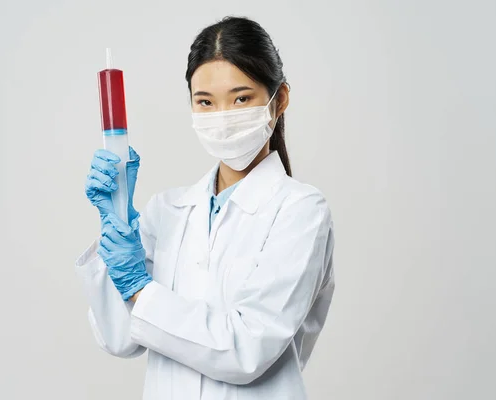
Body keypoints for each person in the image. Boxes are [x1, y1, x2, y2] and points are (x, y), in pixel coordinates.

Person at [76, 16, 335, 400]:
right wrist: (114, 225)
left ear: (278, 100)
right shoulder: (167, 210)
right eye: (206, 102)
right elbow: (119, 338)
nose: (224, 116)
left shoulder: (301, 212)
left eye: (242, 98)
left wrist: (139, 289)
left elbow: (247, 350)